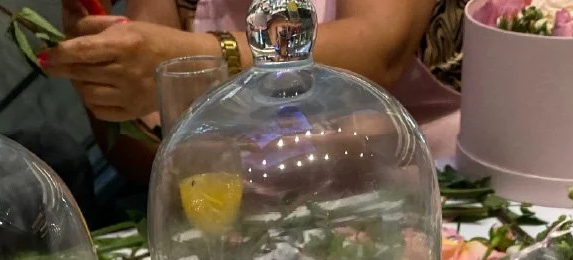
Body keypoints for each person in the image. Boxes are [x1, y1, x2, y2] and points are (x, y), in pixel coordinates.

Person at [40, 0, 464, 162]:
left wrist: (208, 59)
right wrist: (104, 76)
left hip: (423, 199)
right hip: (246, 228)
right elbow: (150, 148)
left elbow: (379, 50)